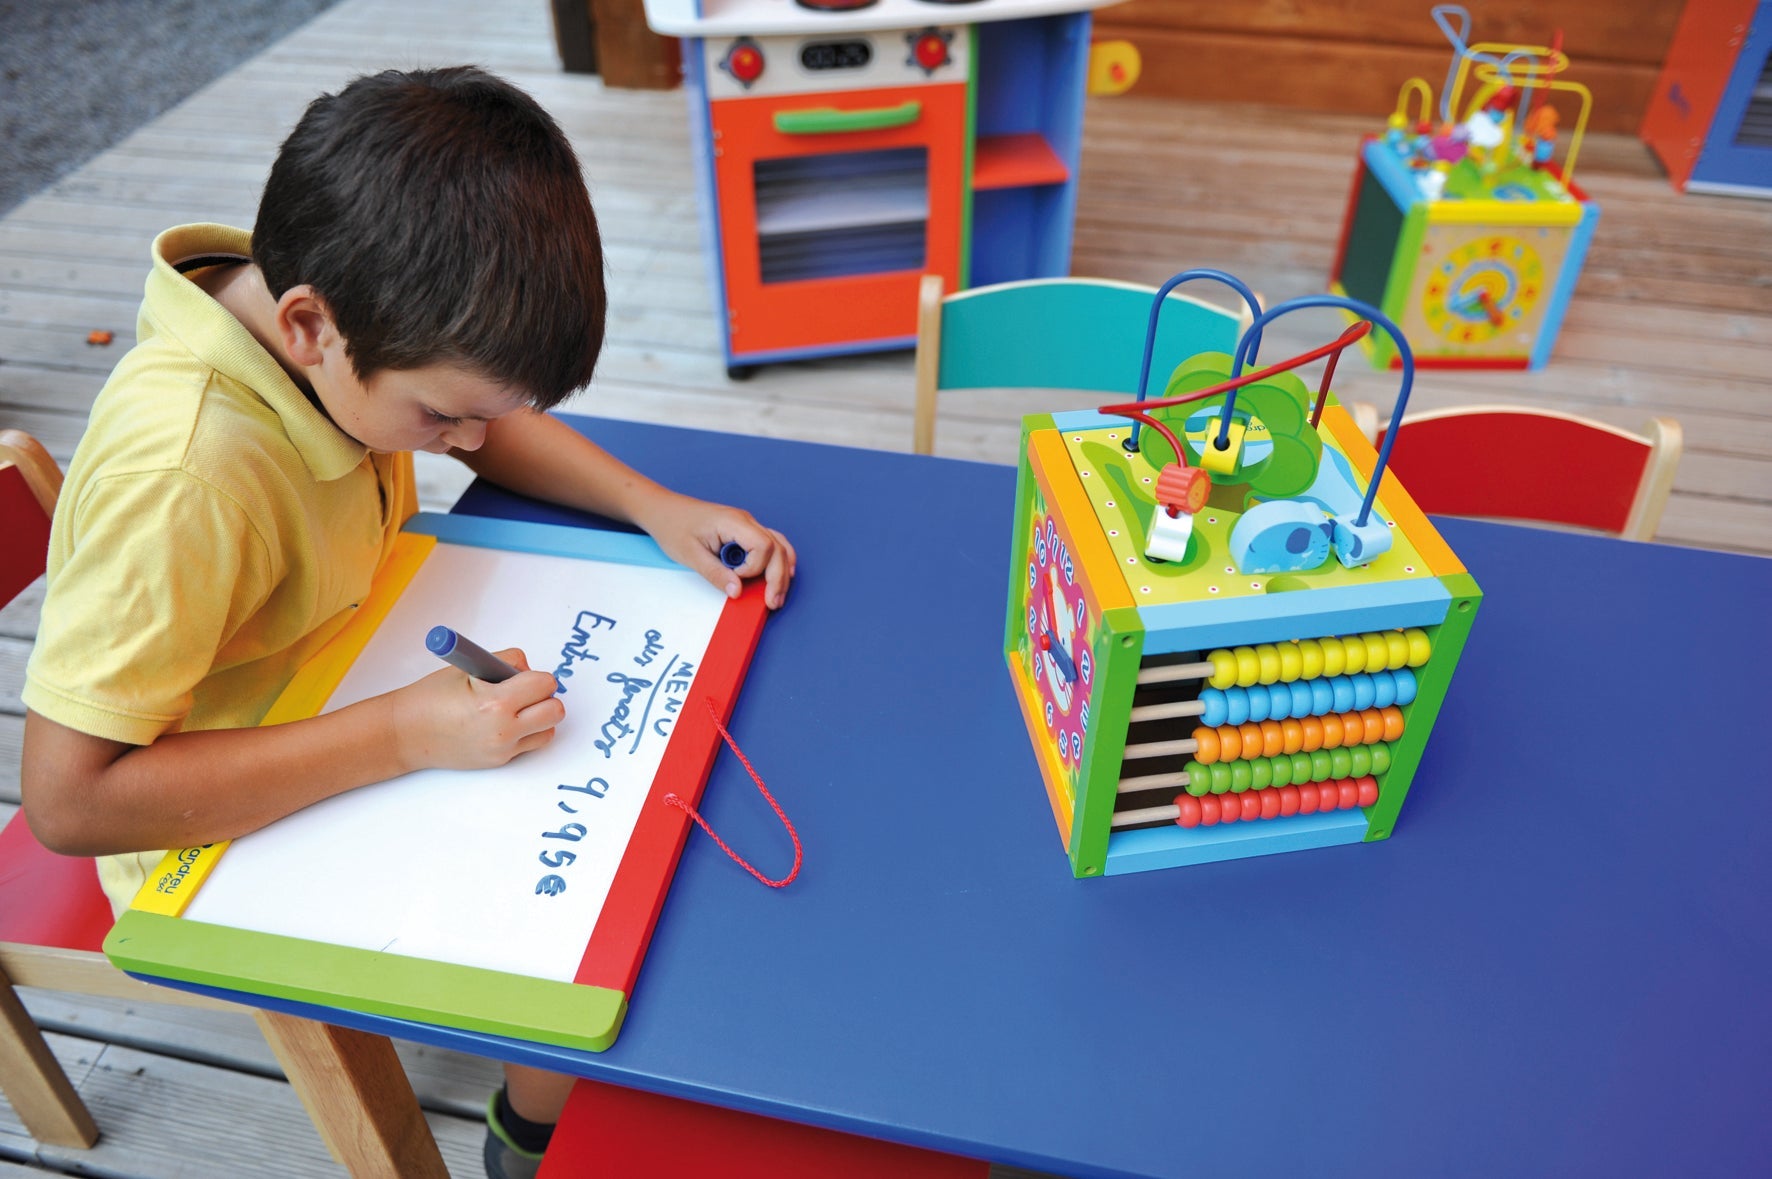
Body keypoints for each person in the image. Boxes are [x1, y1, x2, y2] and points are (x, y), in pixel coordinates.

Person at [19, 65, 796, 1179]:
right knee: (597, 913)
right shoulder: (185, 478)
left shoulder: (345, 309)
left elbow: (464, 411)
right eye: (443, 417)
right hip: (217, 829)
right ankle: (533, 1130)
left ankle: (540, 1101)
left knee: (639, 842)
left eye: (479, 416)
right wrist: (399, 735)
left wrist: (649, 506)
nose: (469, 441)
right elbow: (66, 799)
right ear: (308, 329)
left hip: (371, 679)